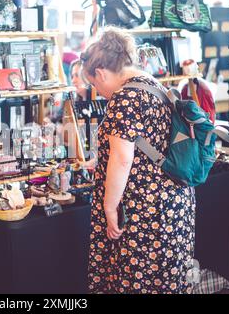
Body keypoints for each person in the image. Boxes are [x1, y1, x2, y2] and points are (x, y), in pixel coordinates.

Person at [81, 27, 195, 294]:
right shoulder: (153, 85)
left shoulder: (125, 97)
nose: (98, 92)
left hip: (144, 209)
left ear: (100, 72)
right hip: (171, 202)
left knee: (137, 281)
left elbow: (122, 159)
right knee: (164, 281)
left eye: (95, 85)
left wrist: (109, 208)